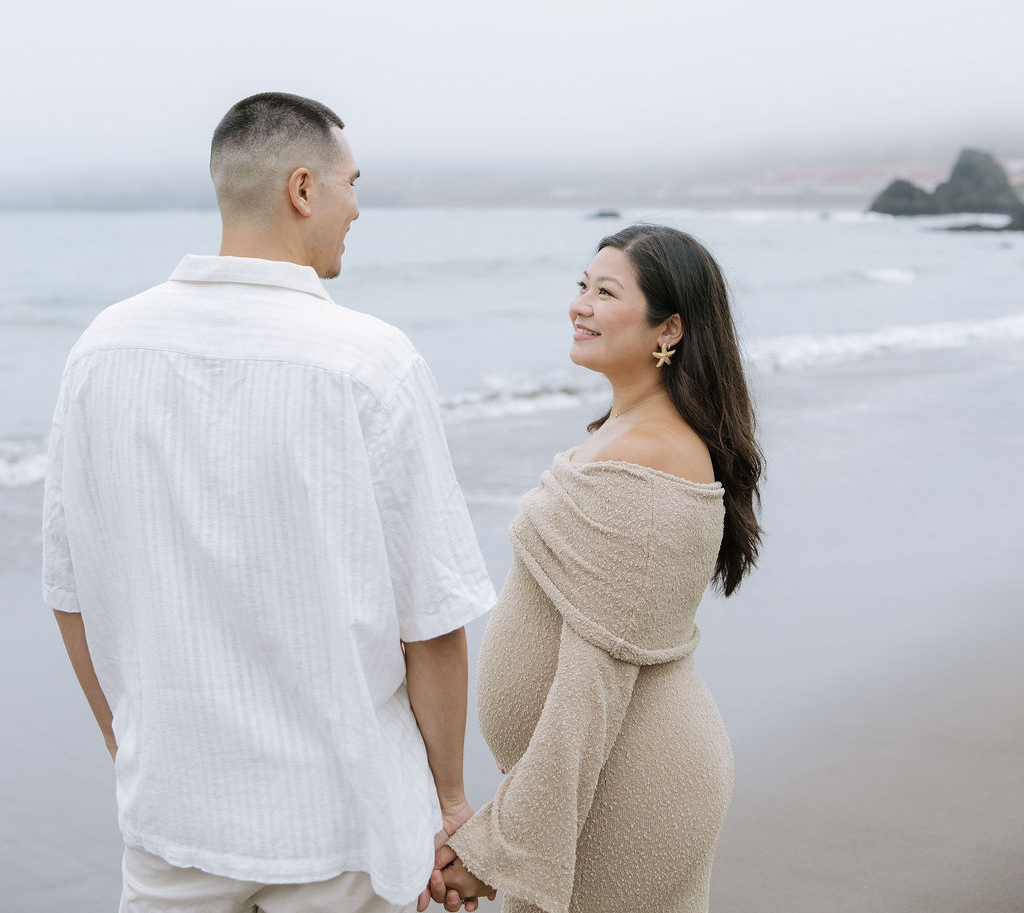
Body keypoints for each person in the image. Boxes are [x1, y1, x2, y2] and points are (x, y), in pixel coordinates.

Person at [42, 91, 496, 913]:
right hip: (346, 824)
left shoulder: (100, 350)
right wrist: (452, 802)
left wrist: (130, 745)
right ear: (301, 190)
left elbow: (71, 593)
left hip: (173, 816)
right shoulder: (370, 362)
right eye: (351, 183)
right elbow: (431, 621)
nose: (358, 207)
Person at [425, 223, 764, 913]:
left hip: (627, 783)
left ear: (668, 330)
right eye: (581, 284)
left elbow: (595, 678)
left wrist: (502, 839)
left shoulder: (652, 460)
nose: (579, 304)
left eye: (605, 292)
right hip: (598, 768)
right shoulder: (626, 434)